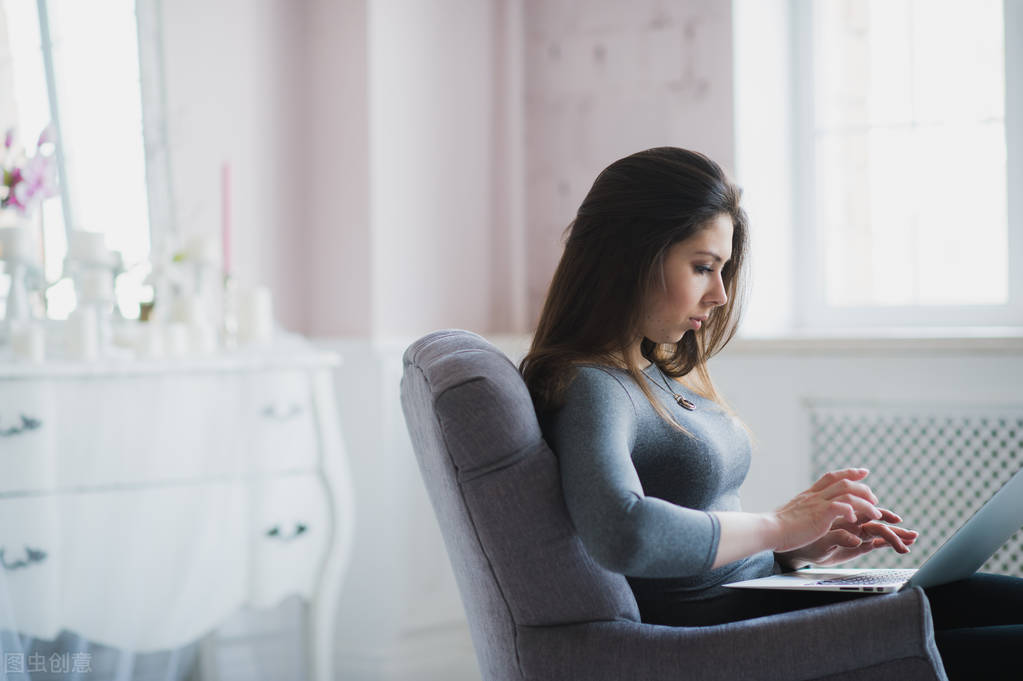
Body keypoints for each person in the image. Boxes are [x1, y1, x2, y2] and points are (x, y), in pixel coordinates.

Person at [519, 146, 1023, 680]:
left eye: (723, 270)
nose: (718, 293)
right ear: (629, 256)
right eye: (702, 267)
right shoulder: (590, 385)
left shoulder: (649, 372)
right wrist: (779, 526)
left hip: (768, 600)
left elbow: (694, 539)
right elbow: (624, 533)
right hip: (744, 642)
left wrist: (796, 550)